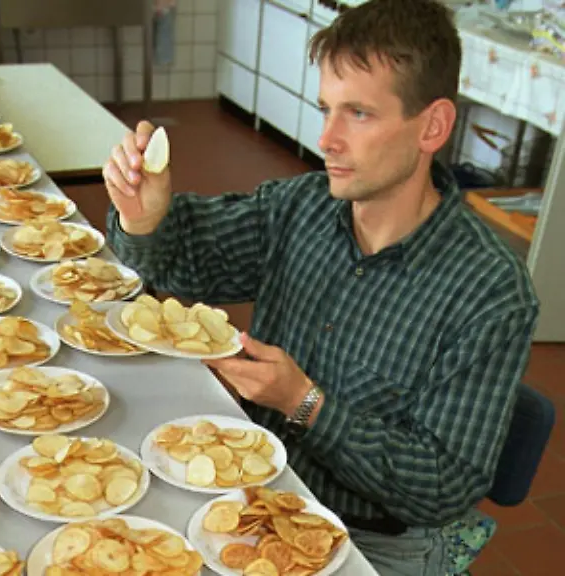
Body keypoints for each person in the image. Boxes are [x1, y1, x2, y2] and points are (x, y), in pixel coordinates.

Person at [102, 0, 539, 574]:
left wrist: (304, 403)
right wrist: (144, 218)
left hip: (375, 541)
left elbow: (441, 486)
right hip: (257, 496)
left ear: (432, 126)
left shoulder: (488, 291)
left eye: (358, 113)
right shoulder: (303, 206)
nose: (326, 138)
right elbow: (185, 257)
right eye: (325, 109)